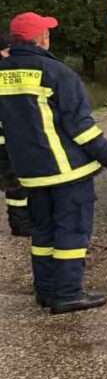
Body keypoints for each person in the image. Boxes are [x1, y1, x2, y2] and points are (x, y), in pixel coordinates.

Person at [0, 12, 107, 313]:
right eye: (48, 32)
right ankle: (69, 293)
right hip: (66, 172)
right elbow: (82, 128)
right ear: (42, 38)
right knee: (71, 233)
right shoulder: (56, 72)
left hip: (30, 174)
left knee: (43, 234)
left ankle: (46, 291)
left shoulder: (2, 71)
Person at [0, 36, 32, 237]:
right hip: (7, 142)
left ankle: (21, 224)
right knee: (16, 185)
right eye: (7, 50)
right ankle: (21, 225)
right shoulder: (6, 73)